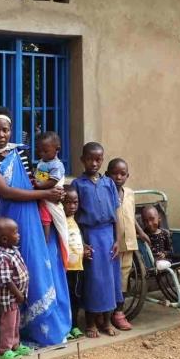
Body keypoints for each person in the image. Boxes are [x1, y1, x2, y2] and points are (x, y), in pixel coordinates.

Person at [0, 108, 69, 347]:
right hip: (10, 220)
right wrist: (45, 192)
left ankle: (47, 328)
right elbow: (4, 191)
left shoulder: (20, 152)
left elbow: (30, 182)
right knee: (18, 270)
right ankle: (20, 333)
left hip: (31, 215)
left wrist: (50, 192)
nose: (1, 134)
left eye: (5, 129)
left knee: (38, 266)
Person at [70, 142, 122, 338]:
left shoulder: (109, 183)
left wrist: (117, 240)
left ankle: (107, 322)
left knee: (110, 281)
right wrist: (81, 243)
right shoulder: (78, 184)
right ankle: (90, 322)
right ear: (83, 160)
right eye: (90, 159)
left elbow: (115, 214)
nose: (94, 163)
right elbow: (74, 216)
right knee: (93, 280)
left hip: (108, 236)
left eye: (98, 159)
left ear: (102, 160)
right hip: (90, 235)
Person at [106, 158, 145, 331]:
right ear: (107, 175)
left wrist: (141, 232)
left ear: (127, 176)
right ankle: (106, 314)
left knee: (123, 278)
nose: (118, 177)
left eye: (122, 174)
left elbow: (132, 215)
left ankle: (119, 313)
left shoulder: (129, 193)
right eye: (115, 173)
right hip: (112, 244)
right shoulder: (105, 192)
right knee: (110, 279)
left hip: (129, 242)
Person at [0, 217, 31, 359]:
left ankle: (15, 345)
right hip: (10, 296)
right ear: (5, 239)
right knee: (8, 323)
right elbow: (6, 279)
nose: (18, 235)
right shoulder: (2, 256)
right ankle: (4, 350)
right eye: (15, 233)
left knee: (15, 321)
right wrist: (18, 293)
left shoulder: (12, 250)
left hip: (16, 296)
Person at [32, 131, 67, 253]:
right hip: (41, 194)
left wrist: (40, 185)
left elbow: (53, 181)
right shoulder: (43, 162)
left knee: (45, 217)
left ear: (57, 149)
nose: (42, 154)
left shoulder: (57, 165)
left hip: (50, 198)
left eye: (45, 151)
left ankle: (45, 240)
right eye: (39, 151)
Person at [63, 187, 86, 339]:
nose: (72, 206)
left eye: (75, 202)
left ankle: (75, 325)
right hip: (65, 269)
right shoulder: (59, 221)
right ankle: (66, 327)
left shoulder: (74, 221)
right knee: (66, 298)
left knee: (76, 297)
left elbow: (77, 239)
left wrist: (85, 249)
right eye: (68, 203)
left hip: (78, 267)